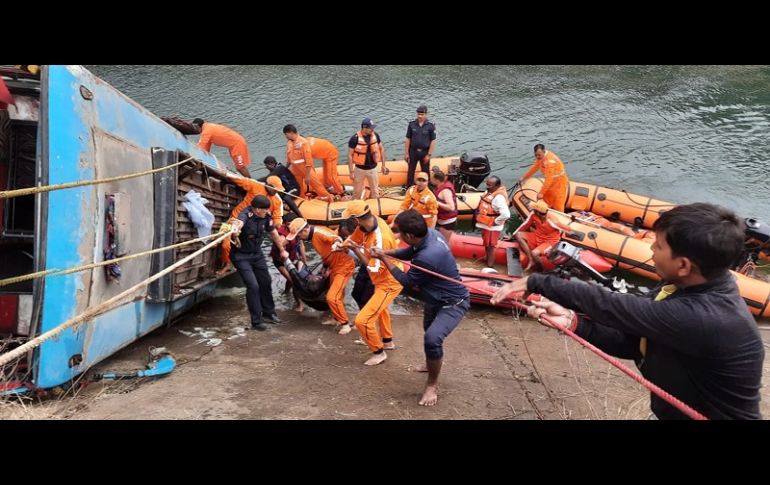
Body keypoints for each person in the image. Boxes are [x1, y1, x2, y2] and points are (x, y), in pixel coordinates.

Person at [490, 203, 765, 420]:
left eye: (658, 246)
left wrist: (540, 282)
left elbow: (613, 306)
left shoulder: (705, 317)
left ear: (683, 265)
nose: (651, 249)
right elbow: (635, 343)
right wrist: (575, 323)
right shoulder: (683, 287)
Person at [370, 210, 469, 407]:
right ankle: (431, 362)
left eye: (399, 233)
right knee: (428, 331)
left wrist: (384, 259)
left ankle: (432, 386)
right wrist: (385, 252)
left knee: (432, 338)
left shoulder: (429, 256)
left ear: (409, 235)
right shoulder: (430, 234)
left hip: (453, 302)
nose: (398, 235)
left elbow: (406, 281)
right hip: (434, 298)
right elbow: (410, 252)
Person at [339, 200, 403, 366]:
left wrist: (355, 250)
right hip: (381, 279)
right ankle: (387, 341)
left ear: (356, 219)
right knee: (381, 310)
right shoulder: (367, 224)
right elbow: (354, 239)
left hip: (389, 282)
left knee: (362, 320)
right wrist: (342, 245)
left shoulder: (381, 239)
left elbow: (373, 269)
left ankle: (378, 352)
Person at [287, 217, 357, 328]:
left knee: (331, 297)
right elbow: (326, 251)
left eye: (298, 235)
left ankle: (345, 324)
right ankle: (336, 318)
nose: (298, 238)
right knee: (338, 295)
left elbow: (336, 238)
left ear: (304, 231)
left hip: (344, 267)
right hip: (333, 266)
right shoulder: (313, 237)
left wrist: (337, 243)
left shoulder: (319, 232)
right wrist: (325, 266)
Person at [229, 195, 285, 331]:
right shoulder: (245, 215)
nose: (267, 212)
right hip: (241, 256)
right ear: (258, 209)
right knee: (253, 286)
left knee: (266, 281)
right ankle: (256, 321)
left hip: (257, 254)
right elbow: (239, 223)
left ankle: (269, 313)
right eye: (265, 210)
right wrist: (235, 228)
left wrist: (282, 250)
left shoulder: (266, 217)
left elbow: (274, 233)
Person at [221, 175, 296, 271]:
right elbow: (240, 180)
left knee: (249, 247)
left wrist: (278, 226)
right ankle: (227, 263)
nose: (276, 191)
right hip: (236, 220)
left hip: (253, 227)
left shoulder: (277, 201)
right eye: (275, 189)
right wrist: (225, 174)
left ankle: (243, 262)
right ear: (268, 185)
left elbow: (277, 218)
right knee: (225, 245)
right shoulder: (255, 185)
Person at [516, 199, 575, 272]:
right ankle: (531, 259)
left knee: (534, 253)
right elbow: (525, 225)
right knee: (518, 235)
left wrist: (571, 232)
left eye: (534, 209)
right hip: (537, 236)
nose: (532, 210)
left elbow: (567, 229)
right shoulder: (533, 215)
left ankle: (542, 269)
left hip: (550, 241)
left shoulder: (552, 220)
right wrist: (513, 235)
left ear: (538, 212)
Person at [282, 124, 332, 201]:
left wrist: (307, 175)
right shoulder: (289, 143)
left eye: (286, 134)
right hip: (295, 169)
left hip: (305, 168)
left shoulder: (304, 143)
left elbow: (308, 160)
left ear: (291, 132)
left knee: (316, 184)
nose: (285, 136)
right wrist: (286, 168)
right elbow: (289, 157)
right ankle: (302, 198)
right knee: (298, 185)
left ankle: (328, 198)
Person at [519, 143, 569, 212]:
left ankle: (560, 216)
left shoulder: (550, 162)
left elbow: (549, 179)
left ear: (544, 151)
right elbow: (534, 168)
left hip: (559, 183)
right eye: (536, 155)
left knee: (558, 203)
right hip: (552, 182)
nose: (537, 157)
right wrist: (524, 178)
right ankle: (545, 211)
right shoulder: (541, 158)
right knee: (546, 198)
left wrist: (541, 193)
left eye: (539, 155)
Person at [338, 218, 374, 310]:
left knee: (365, 299)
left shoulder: (369, 236)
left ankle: (366, 315)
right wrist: (347, 250)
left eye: (347, 235)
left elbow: (367, 260)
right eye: (344, 236)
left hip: (375, 270)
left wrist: (353, 249)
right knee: (356, 294)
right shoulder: (349, 238)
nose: (346, 238)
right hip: (364, 267)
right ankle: (363, 312)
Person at [475, 176, 510, 270]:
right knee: (487, 245)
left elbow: (506, 214)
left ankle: (490, 266)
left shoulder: (499, 198)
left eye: (490, 185)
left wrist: (495, 222)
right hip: (486, 225)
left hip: (492, 227)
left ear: (497, 186)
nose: (487, 186)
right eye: (487, 184)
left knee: (491, 247)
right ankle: (487, 260)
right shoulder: (488, 192)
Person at [272, 222, 308, 312]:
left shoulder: (297, 232)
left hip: (292, 259)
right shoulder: (282, 235)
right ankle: (299, 304)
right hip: (280, 262)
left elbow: (301, 246)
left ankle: (286, 292)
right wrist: (284, 247)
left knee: (292, 278)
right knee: (294, 281)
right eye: (289, 224)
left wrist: (305, 261)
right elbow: (280, 247)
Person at [348, 117, 386, 200]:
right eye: (370, 128)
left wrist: (383, 165)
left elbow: (381, 149)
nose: (372, 129)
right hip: (359, 169)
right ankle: (356, 206)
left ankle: (374, 205)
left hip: (372, 169)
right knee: (357, 193)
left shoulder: (375, 135)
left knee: (375, 192)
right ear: (364, 128)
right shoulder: (354, 138)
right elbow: (350, 155)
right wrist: (351, 172)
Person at [404, 105, 437, 188]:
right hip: (413, 151)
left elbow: (433, 140)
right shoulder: (411, 125)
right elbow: (408, 139)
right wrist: (406, 153)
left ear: (426, 114)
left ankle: (426, 188)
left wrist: (429, 154)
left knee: (425, 171)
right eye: (418, 114)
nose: (420, 116)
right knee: (411, 170)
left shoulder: (430, 126)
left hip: (424, 152)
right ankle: (409, 187)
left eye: (422, 114)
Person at [431, 169, 458, 242]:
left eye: (432, 178)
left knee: (444, 242)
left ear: (437, 180)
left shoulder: (445, 191)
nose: (430, 180)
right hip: (441, 220)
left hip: (447, 222)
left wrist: (436, 202)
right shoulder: (439, 187)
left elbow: (451, 207)